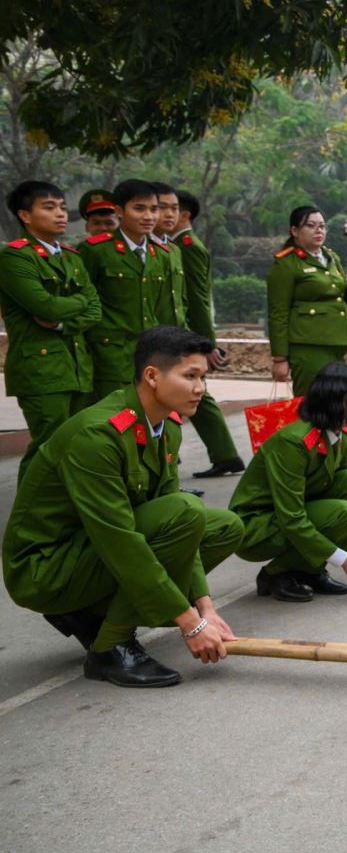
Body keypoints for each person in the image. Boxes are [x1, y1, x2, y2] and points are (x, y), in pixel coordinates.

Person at [2, 326, 245, 687]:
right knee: (183, 511)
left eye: (203, 377)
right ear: (152, 376)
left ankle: (89, 611)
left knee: (225, 526)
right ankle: (110, 647)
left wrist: (204, 606)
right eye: (190, 376)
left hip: (89, 550)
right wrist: (189, 622)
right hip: (46, 568)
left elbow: (181, 528)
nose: (200, 388)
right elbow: (119, 540)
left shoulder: (166, 426)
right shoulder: (97, 435)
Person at [229, 362, 347, 603]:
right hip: (257, 526)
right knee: (341, 512)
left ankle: (310, 571)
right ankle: (275, 574)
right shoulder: (295, 443)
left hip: (290, 511)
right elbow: (291, 517)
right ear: (333, 402)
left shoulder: (339, 430)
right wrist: (346, 560)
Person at [2, 181, 100, 479]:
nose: (60, 213)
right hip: (41, 369)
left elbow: (95, 309)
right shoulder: (14, 257)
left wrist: (63, 320)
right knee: (47, 448)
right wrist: (78, 302)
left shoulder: (71, 256)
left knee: (74, 448)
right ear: (25, 216)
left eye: (61, 206)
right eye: (48, 207)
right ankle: (27, 521)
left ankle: (60, 520)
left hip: (77, 366)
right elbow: (44, 306)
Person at [169, 189, 246, 478]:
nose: (161, 215)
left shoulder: (187, 246)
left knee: (189, 392)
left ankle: (224, 454)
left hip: (184, 334)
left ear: (184, 214)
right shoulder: (176, 245)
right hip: (183, 333)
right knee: (195, 393)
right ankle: (225, 454)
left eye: (169, 209)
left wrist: (205, 342)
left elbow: (197, 298)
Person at [79, 180, 167, 397]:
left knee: (149, 422)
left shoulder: (163, 254)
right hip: (109, 357)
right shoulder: (96, 251)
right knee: (114, 422)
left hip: (151, 356)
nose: (148, 216)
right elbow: (82, 302)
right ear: (119, 211)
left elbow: (164, 307)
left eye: (154, 209)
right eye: (139, 208)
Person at [266, 205, 347, 396]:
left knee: (336, 402)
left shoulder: (330, 257)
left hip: (338, 341)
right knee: (310, 401)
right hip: (308, 343)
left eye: (322, 226)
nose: (318, 230)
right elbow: (278, 312)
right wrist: (280, 358)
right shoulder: (286, 263)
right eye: (310, 225)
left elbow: (342, 296)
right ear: (295, 231)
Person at [147, 183, 188, 330]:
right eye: (162, 207)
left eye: (175, 208)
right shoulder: (139, 248)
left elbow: (180, 302)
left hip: (174, 338)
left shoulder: (174, 249)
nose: (170, 214)